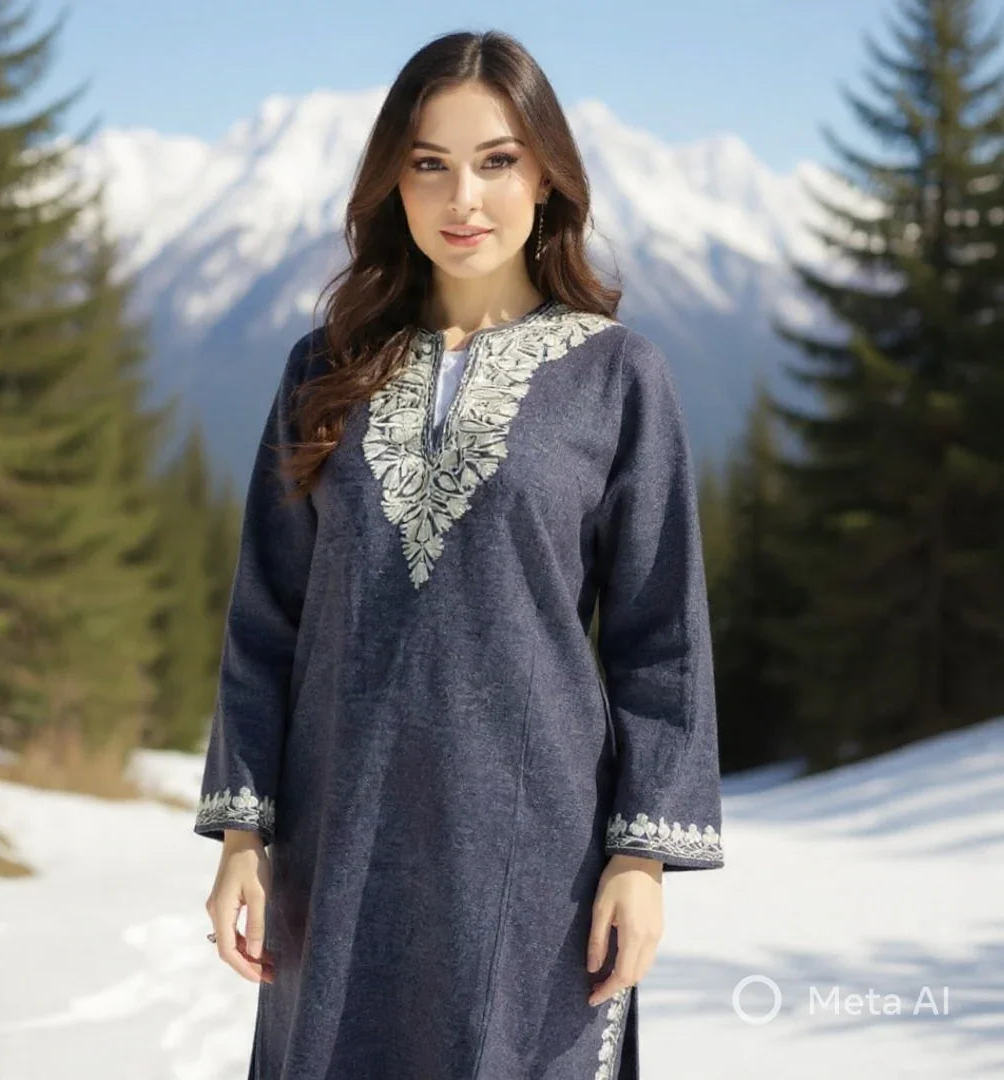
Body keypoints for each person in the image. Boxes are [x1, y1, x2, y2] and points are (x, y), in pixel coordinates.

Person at [195, 28, 725, 1080]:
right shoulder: (325, 370)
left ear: (548, 176)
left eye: (496, 160)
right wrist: (245, 837)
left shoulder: (619, 376)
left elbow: (661, 638)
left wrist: (640, 855)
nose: (462, 199)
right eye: (429, 163)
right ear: (393, 181)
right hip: (339, 849)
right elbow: (266, 621)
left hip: (538, 860)